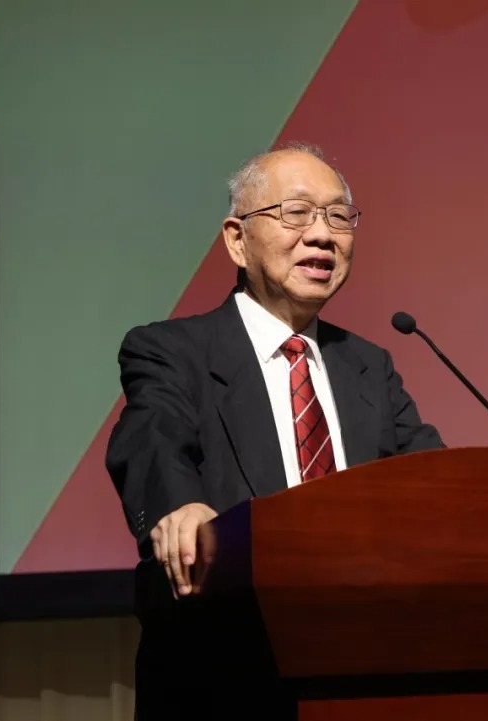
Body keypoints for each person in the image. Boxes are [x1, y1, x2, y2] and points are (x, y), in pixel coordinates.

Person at [105, 141, 444, 718]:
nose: (323, 235)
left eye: (338, 216)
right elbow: (153, 438)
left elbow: (432, 482)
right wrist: (178, 505)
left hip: (363, 670)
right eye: (297, 213)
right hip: (226, 675)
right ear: (237, 240)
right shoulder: (171, 351)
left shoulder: (369, 366)